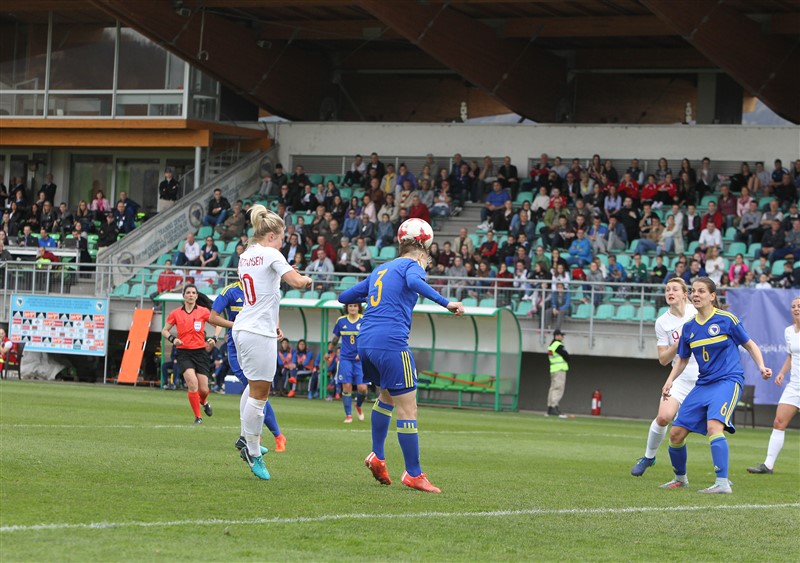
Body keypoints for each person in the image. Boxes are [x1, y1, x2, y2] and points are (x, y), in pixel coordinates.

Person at [339, 221, 464, 493]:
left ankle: (377, 455)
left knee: (385, 397)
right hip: (391, 343)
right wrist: (447, 303)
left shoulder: (381, 269)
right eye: (427, 259)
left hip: (365, 342)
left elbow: (344, 296)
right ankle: (413, 474)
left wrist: (375, 294)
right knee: (409, 408)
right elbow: (414, 281)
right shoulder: (412, 265)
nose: (426, 265)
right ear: (422, 250)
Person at [659, 278, 771, 493]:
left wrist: (762, 366)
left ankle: (722, 483)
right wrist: (669, 380)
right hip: (704, 384)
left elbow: (749, 345)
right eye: (693, 291)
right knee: (676, 433)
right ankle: (680, 479)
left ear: (712, 296)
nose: (696, 294)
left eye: (701, 291)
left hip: (728, 381)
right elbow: (682, 360)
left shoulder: (727, 319)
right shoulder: (689, 327)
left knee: (714, 427)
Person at [232, 204, 312, 480]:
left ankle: (245, 439)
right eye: (281, 238)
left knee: (252, 385)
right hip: (258, 332)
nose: (282, 244)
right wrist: (306, 278)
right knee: (260, 395)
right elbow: (297, 282)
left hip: (243, 327)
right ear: (271, 236)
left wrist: (283, 271)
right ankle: (252, 452)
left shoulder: (246, 255)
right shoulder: (271, 253)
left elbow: (265, 284)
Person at [631, 278, 699, 476]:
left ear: (685, 294)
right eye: (667, 289)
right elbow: (663, 359)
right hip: (679, 377)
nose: (670, 292)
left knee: (713, 427)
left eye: (675, 289)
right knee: (663, 417)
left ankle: (721, 476)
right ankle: (649, 457)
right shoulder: (662, 322)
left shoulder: (697, 312)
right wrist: (678, 344)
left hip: (705, 377)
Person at [210, 281, 287, 454]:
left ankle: (257, 437)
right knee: (255, 390)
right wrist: (237, 325)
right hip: (236, 345)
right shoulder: (230, 291)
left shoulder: (261, 287)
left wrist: (275, 326)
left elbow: (272, 309)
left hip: (257, 344)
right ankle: (267, 436)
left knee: (255, 390)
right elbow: (213, 317)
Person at [748, 296, 800, 474]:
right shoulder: (789, 331)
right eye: (793, 306)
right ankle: (768, 465)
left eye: (799, 306)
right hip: (795, 386)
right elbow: (791, 356)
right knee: (779, 422)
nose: (796, 309)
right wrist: (782, 373)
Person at [161, 285, 223, 424]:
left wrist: (214, 338)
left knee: (204, 389)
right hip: (184, 352)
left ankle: (204, 401)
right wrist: (173, 339)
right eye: (188, 292)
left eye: (193, 293)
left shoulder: (203, 311)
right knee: (192, 384)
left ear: (196, 296)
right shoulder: (176, 313)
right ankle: (198, 417)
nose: (191, 295)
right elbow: (164, 330)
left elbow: (219, 325)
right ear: (184, 295)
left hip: (200, 353)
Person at [332, 304, 367, 423]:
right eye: (350, 306)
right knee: (346, 385)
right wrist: (329, 352)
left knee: (362, 388)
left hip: (360, 359)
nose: (352, 308)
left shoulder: (364, 320)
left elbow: (369, 338)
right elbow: (336, 338)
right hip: (345, 358)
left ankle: (358, 405)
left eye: (355, 306)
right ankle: (348, 415)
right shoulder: (341, 321)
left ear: (359, 308)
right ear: (347, 308)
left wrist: (362, 352)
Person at [546, 330, 570, 417]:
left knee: (553, 388)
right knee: (558, 388)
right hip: (559, 369)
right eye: (561, 335)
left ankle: (550, 407)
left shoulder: (551, 345)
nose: (562, 337)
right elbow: (566, 355)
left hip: (553, 369)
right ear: (556, 336)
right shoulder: (557, 344)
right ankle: (554, 406)